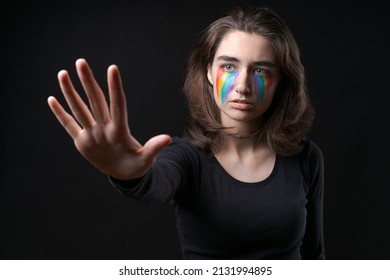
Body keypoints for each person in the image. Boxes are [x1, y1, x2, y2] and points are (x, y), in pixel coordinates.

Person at [47, 5, 325, 259]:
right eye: (229, 66)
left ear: (281, 80)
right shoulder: (186, 158)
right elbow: (154, 184)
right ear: (207, 71)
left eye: (261, 71)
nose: (242, 85)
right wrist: (127, 174)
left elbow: (314, 256)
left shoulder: (306, 158)